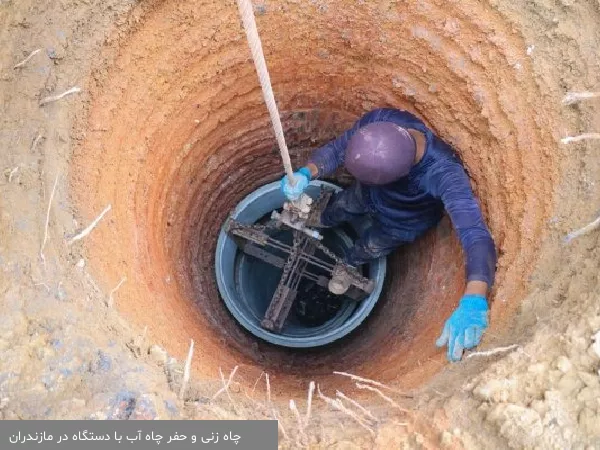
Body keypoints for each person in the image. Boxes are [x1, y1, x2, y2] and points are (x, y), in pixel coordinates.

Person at [280, 108, 496, 362]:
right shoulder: (381, 121)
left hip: (401, 223)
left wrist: (475, 296)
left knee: (369, 247)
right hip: (366, 195)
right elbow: (337, 150)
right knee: (339, 207)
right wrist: (308, 172)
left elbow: (474, 233)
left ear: (400, 176)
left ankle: (348, 264)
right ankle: (322, 218)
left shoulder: (444, 173)